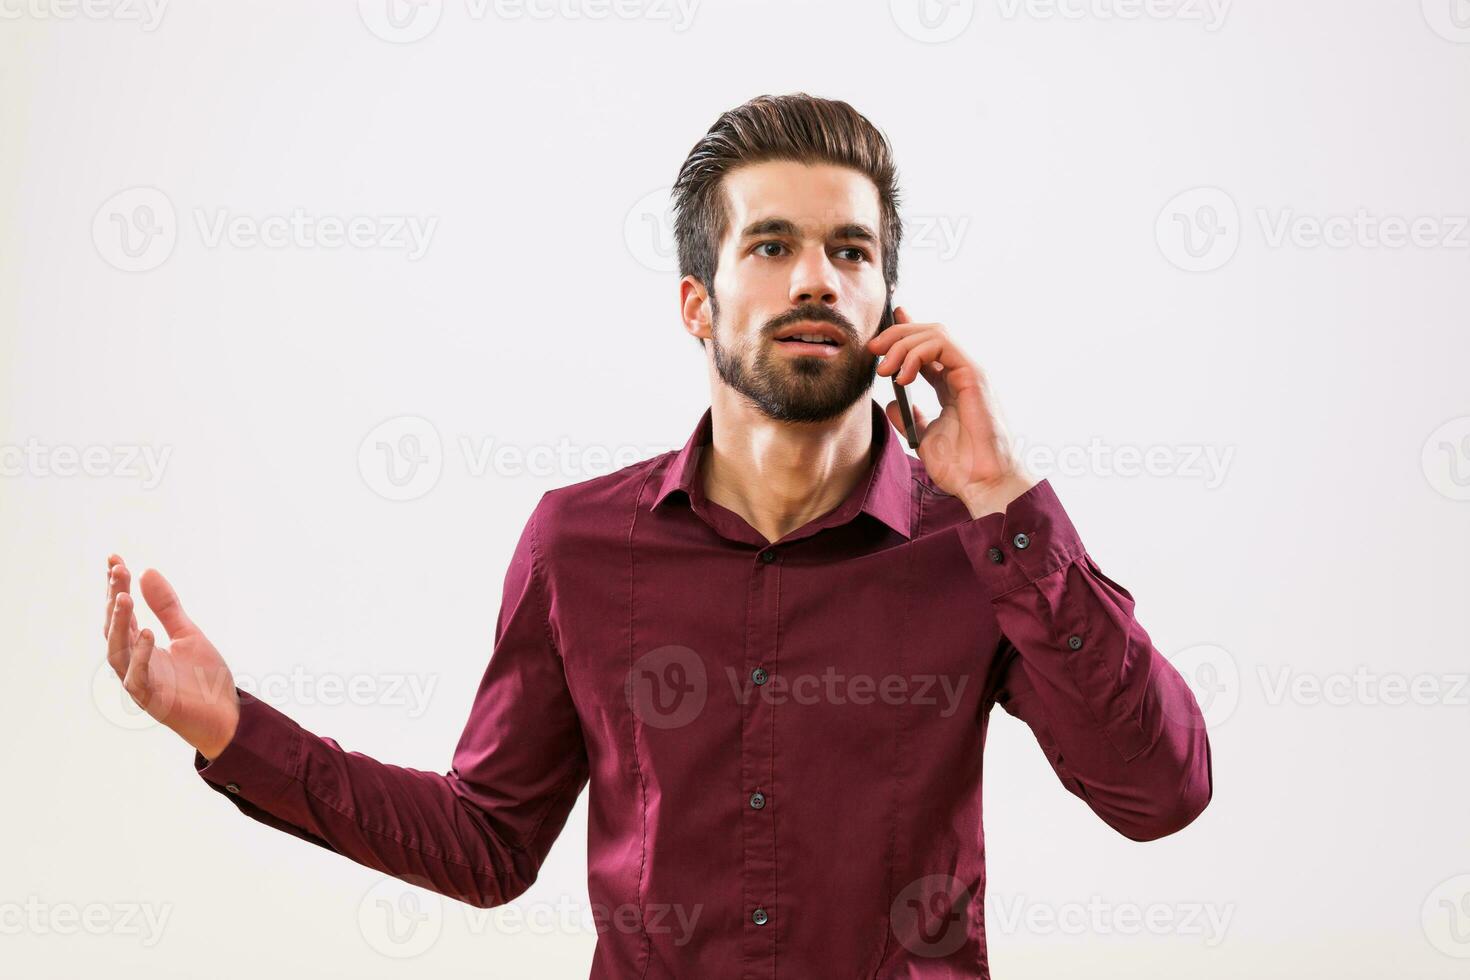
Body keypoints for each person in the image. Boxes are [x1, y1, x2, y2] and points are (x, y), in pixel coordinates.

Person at [103, 92, 1212, 978]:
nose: (818, 277)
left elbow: (1157, 791)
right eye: (772, 245)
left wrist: (1006, 501)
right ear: (698, 303)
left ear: (887, 303)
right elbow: (487, 840)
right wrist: (236, 728)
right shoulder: (577, 545)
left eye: (852, 251)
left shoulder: (986, 552)